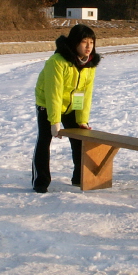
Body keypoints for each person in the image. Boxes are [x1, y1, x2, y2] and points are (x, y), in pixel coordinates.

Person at [32, 24, 101, 193]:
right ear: (74, 43)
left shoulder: (89, 64)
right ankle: (40, 181)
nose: (88, 46)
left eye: (91, 42)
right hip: (47, 103)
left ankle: (79, 178)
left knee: (79, 139)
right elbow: (53, 92)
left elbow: (85, 93)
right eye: (84, 42)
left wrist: (81, 120)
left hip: (71, 104)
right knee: (44, 140)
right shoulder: (57, 62)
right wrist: (54, 121)